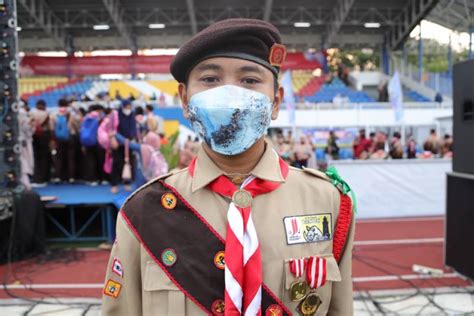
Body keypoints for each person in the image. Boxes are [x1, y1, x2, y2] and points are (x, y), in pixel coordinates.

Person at [102, 18, 355, 316]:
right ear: (185, 99)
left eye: (249, 80)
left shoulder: (327, 201)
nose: (230, 94)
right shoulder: (143, 211)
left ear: (275, 101)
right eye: (210, 79)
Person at [109, 100, 137, 193]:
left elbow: (134, 129)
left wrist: (132, 138)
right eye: (126, 107)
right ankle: (114, 184)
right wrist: (112, 139)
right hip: (117, 143)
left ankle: (127, 183)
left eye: (129, 107)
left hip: (128, 144)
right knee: (116, 163)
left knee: (128, 164)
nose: (128, 109)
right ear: (123, 106)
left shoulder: (132, 115)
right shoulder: (116, 115)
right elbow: (111, 128)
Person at [31, 99, 51, 186]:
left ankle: (37, 179)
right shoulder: (47, 114)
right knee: (45, 158)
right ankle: (45, 178)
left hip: (35, 136)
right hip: (45, 136)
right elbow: (51, 127)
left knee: (36, 158)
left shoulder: (32, 113)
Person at [18, 101, 35, 190]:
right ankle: (25, 183)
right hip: (21, 141)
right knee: (23, 162)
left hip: (17, 141)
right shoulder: (22, 113)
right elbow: (27, 130)